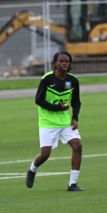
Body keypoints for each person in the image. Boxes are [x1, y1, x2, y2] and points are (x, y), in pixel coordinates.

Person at [25, 51, 83, 191]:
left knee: (77, 146)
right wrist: (57, 107)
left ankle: (72, 184)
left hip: (65, 121)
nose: (65, 63)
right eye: (61, 61)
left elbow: (76, 102)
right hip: (47, 122)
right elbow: (38, 100)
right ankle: (32, 169)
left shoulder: (73, 80)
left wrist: (75, 117)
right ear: (55, 63)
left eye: (67, 61)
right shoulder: (47, 79)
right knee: (45, 154)